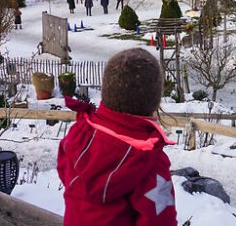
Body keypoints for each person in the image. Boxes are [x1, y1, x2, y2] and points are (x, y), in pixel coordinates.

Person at [57, 48, 176, 226]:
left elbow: (64, 172)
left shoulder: (80, 135)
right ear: (154, 100)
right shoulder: (146, 161)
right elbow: (159, 221)